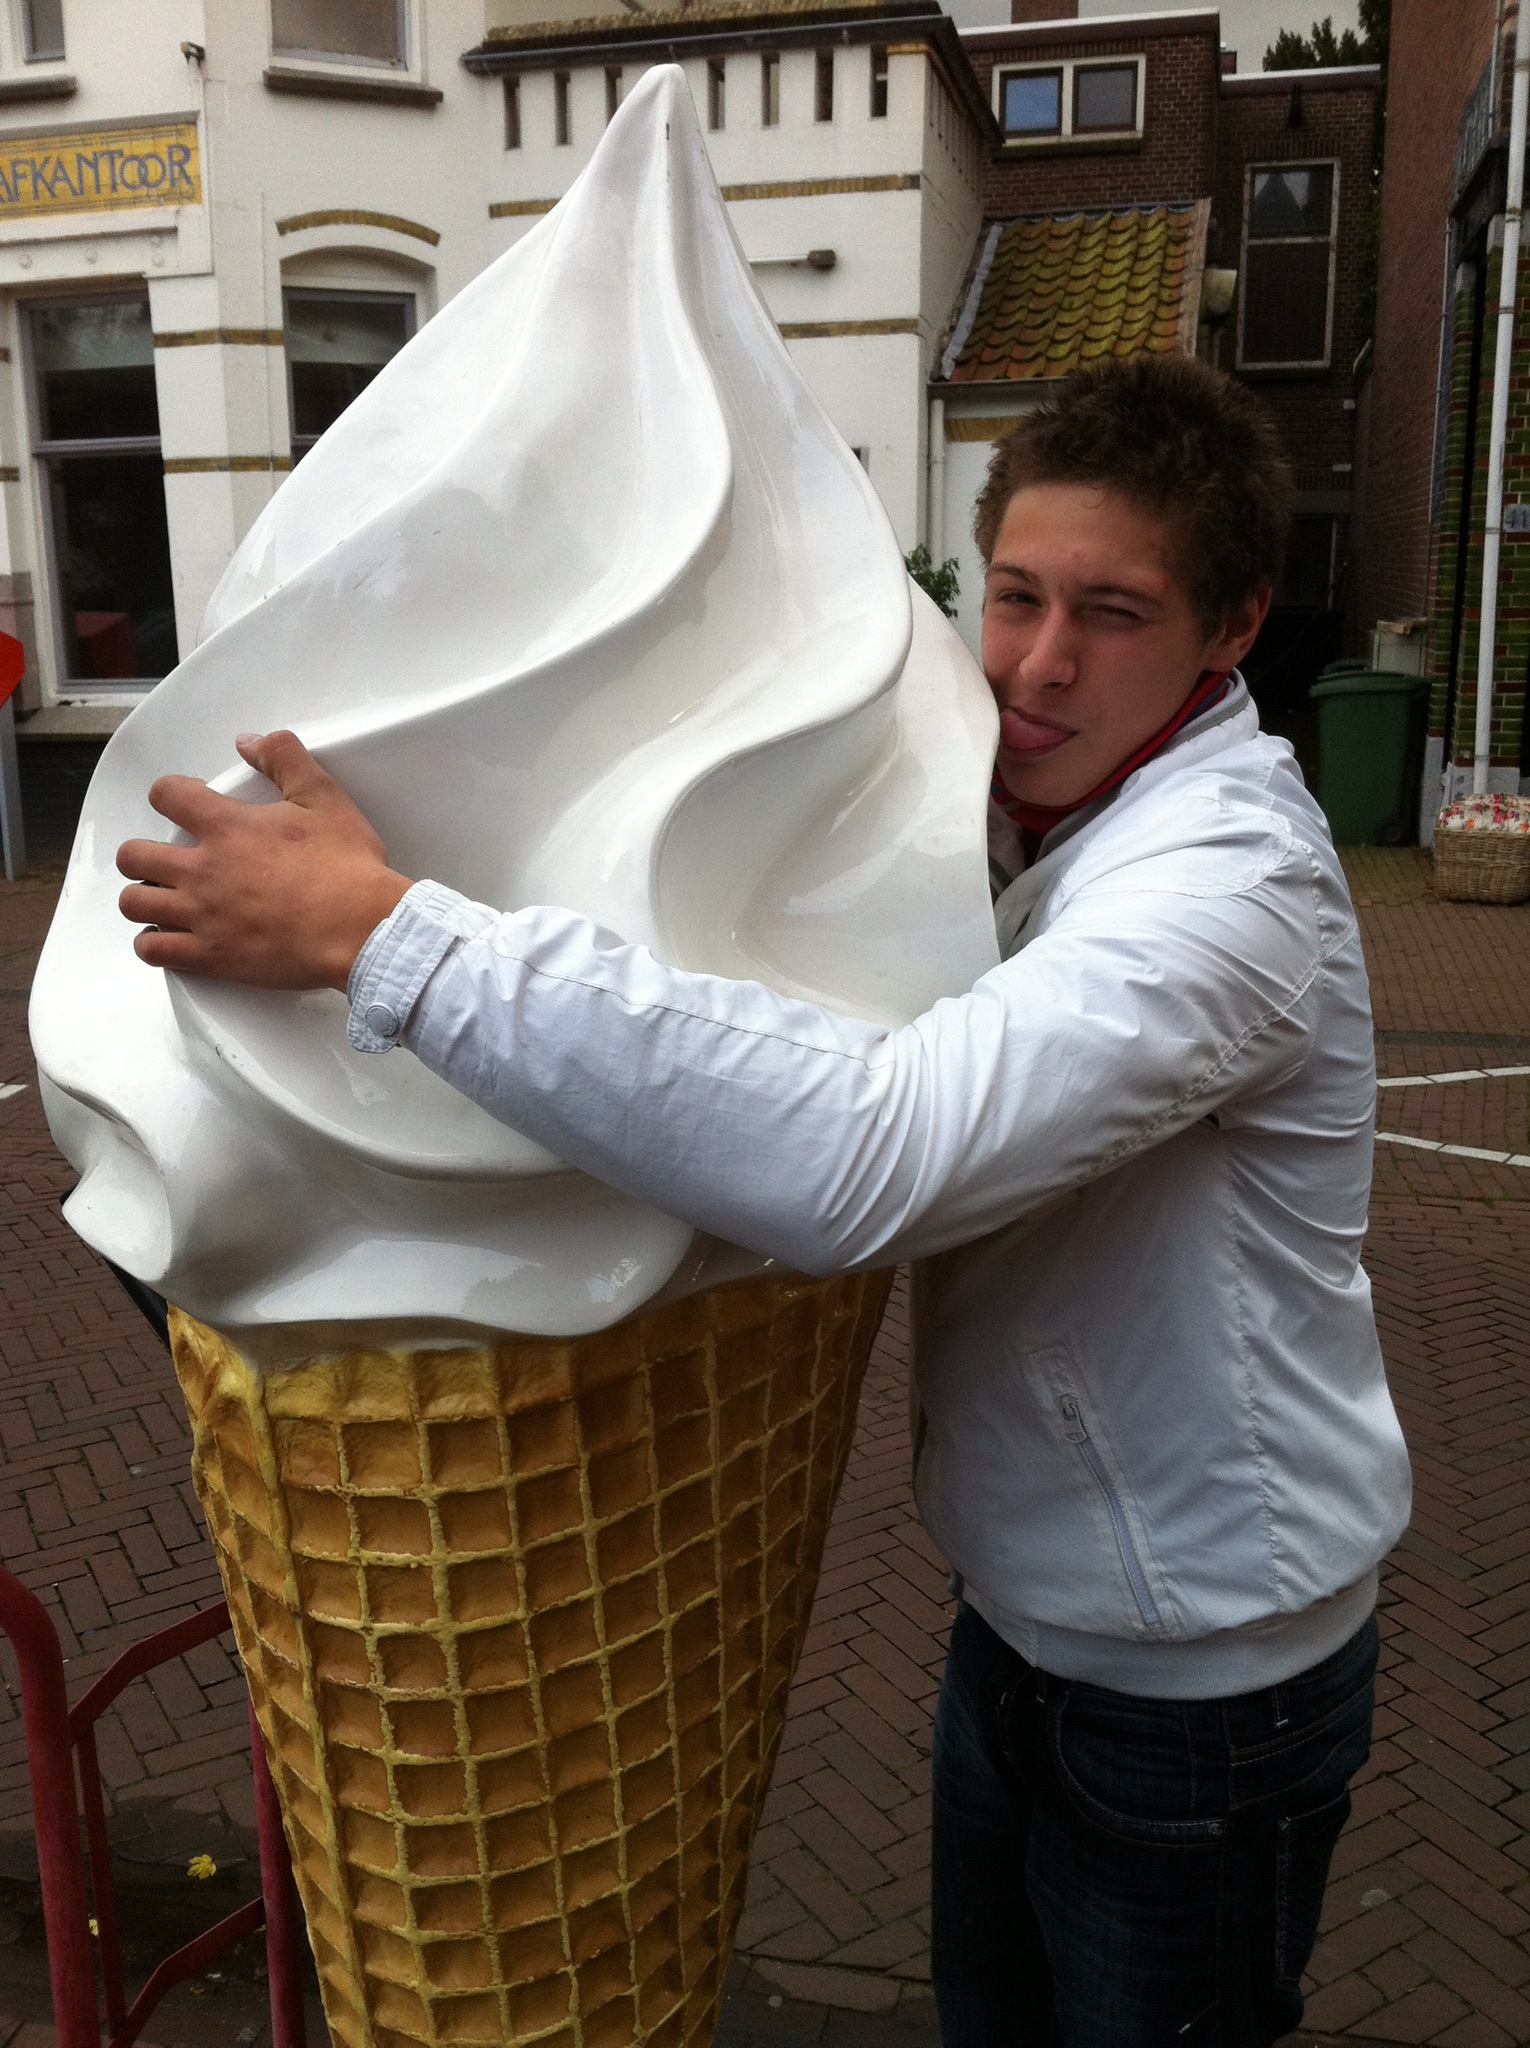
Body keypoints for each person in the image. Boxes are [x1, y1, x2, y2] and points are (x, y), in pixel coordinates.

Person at [115, 354, 1411, 2046]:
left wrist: (384, 934)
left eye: (1112, 615)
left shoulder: (1230, 893)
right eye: (1014, 595)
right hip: (1024, 1627)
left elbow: (877, 1153)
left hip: (1205, 1688)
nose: (1035, 663)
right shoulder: (1034, 816)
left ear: (1229, 629)